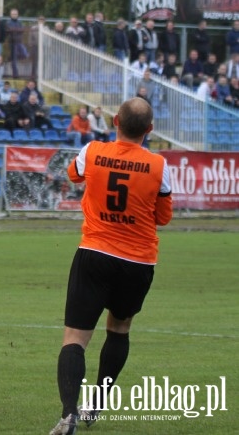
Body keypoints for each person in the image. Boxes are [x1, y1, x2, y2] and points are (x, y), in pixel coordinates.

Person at [48, 97, 172, 435]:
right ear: (149, 129)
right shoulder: (160, 165)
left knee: (75, 337)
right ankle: (97, 403)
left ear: (115, 120)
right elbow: (163, 217)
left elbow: (73, 175)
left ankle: (68, 415)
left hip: (95, 252)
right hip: (137, 261)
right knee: (119, 328)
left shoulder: (92, 151)